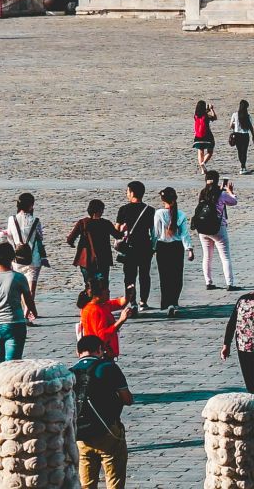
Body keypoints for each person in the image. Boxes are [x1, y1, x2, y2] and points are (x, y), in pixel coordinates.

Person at [72, 333, 133, 489]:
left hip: (81, 435)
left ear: (78, 352)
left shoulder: (70, 372)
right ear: (100, 350)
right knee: (114, 479)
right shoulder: (108, 367)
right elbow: (127, 399)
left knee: (86, 483)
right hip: (108, 430)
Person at [150, 186, 192, 316]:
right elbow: (185, 234)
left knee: (165, 276)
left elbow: (155, 233)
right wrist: (189, 249)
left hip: (163, 247)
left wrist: (152, 247)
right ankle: (174, 301)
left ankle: (166, 302)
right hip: (177, 247)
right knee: (176, 275)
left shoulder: (159, 213)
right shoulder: (181, 215)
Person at [114, 182, 155, 311]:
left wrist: (122, 228)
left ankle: (132, 302)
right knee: (144, 275)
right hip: (145, 246)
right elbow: (153, 232)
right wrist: (154, 247)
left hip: (129, 247)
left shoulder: (124, 209)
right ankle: (144, 301)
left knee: (129, 276)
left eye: (127, 191)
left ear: (131, 193)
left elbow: (117, 231)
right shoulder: (150, 210)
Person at [194, 172, 237, 290]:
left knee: (207, 256)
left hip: (202, 228)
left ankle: (208, 282)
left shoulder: (202, 193)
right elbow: (234, 202)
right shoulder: (221, 194)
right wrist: (230, 192)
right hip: (218, 228)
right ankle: (230, 283)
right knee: (225, 257)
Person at [4, 193, 48, 296]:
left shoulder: (12, 219)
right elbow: (40, 237)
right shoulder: (35, 221)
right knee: (31, 291)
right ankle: (28, 312)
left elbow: (9, 236)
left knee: (20, 289)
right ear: (31, 205)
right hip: (34, 258)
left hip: (18, 258)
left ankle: (24, 310)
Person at [228, 99, 254, 174]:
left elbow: (230, 126)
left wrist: (235, 125)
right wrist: (253, 136)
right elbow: (251, 127)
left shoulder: (235, 114)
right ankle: (243, 167)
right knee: (244, 151)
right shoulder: (248, 116)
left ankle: (242, 166)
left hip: (237, 135)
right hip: (245, 135)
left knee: (239, 151)